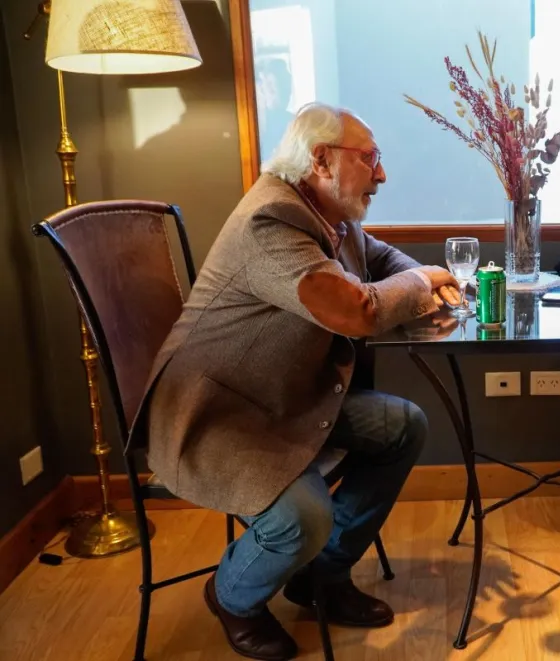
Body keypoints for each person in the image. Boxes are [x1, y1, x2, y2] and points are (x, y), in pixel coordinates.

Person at [135, 103, 459, 661]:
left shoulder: (330, 215)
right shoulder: (271, 221)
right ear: (321, 160)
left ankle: (320, 579)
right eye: (370, 159)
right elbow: (356, 310)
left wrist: (422, 278)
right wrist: (424, 281)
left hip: (285, 399)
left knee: (403, 426)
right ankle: (232, 595)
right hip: (217, 414)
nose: (382, 174)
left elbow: (383, 261)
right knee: (304, 519)